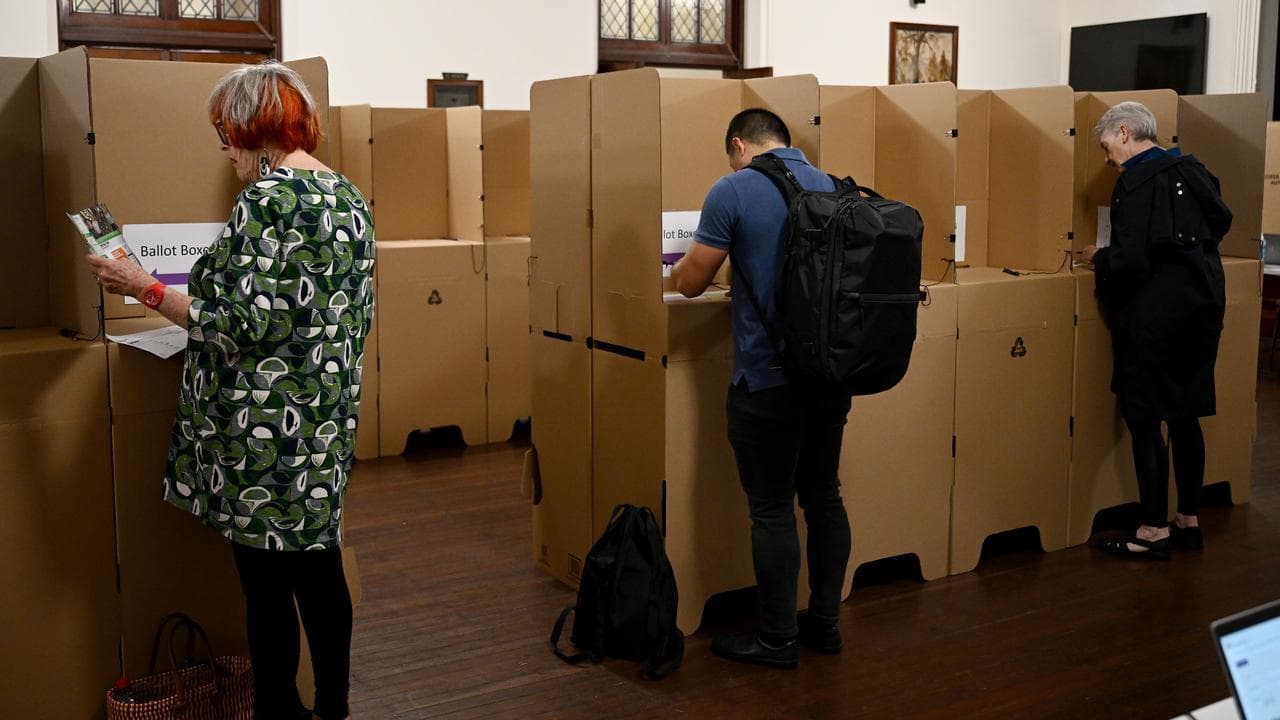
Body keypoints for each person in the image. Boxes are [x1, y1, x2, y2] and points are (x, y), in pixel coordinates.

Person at [87, 61, 374, 720]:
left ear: (254, 127)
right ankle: (333, 709)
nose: (221, 147)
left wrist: (142, 286)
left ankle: (278, 711)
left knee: (268, 581)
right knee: (319, 566)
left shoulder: (267, 200)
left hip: (265, 427)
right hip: (324, 419)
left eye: (225, 131)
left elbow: (234, 327)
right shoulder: (347, 197)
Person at [672, 109, 849, 669]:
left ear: (739, 144)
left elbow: (692, 282)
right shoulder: (831, 185)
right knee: (822, 496)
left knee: (771, 509)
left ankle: (776, 639)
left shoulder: (733, 189)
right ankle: (824, 623)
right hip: (830, 374)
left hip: (766, 377)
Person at [1080, 101, 1230, 561]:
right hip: (1202, 308)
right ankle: (1188, 522)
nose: (1106, 158)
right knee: (1185, 417)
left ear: (1125, 133)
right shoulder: (1194, 168)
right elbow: (1222, 222)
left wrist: (1096, 256)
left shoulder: (1136, 182)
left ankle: (1151, 530)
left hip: (1154, 316)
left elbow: (1131, 261)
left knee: (1145, 420)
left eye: (1106, 146)